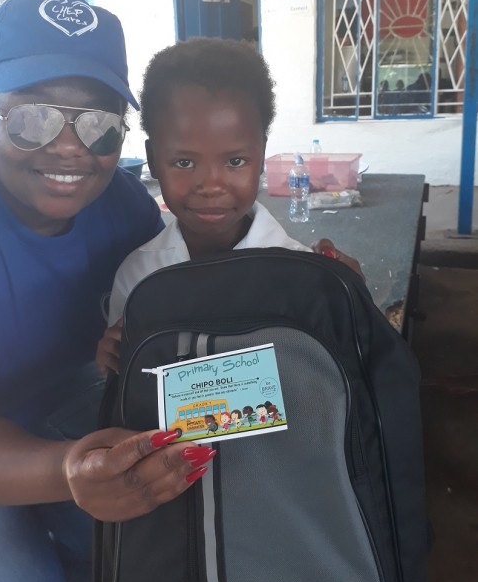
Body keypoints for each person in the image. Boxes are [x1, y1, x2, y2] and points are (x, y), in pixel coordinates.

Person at [0, 0, 214, 582]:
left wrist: (297, 267)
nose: (70, 148)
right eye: (34, 119)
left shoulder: (122, 205)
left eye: (99, 124)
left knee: (173, 541)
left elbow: (179, 298)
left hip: (65, 399)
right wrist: (68, 472)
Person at [99, 37, 363, 374]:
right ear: (152, 159)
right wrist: (112, 363)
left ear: (261, 155)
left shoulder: (304, 276)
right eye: (184, 162)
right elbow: (132, 385)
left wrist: (352, 305)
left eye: (235, 161)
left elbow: (333, 381)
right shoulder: (139, 276)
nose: (211, 186)